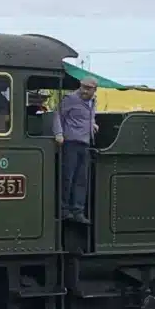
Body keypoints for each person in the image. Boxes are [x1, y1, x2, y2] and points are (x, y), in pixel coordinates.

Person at [53, 78, 99, 222]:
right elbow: (58, 115)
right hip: (70, 142)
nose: (84, 91)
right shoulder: (70, 99)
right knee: (68, 177)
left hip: (85, 143)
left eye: (88, 88)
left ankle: (78, 211)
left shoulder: (93, 102)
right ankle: (64, 210)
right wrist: (58, 133)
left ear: (94, 90)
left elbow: (88, 117)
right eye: (83, 87)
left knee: (81, 179)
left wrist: (93, 124)